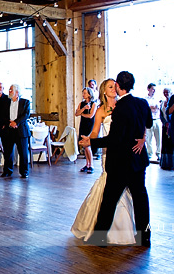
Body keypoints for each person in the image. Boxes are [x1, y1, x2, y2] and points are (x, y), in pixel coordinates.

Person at [80, 71, 151, 247]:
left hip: (120, 162)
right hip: (137, 160)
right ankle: (144, 237)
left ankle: (100, 237)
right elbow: (148, 123)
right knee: (140, 198)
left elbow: (115, 139)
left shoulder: (120, 109)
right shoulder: (142, 103)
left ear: (119, 86)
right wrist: (141, 137)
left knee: (109, 200)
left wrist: (91, 141)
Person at [72, 78, 136, 244]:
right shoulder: (100, 110)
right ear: (103, 91)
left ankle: (123, 227)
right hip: (109, 153)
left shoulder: (124, 106)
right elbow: (95, 132)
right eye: (110, 86)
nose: (114, 88)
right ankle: (105, 229)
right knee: (109, 184)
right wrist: (89, 140)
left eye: (115, 85)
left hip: (126, 153)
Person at [1, 84, 31, 178]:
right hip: (9, 130)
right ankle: (7, 171)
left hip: (21, 130)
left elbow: (26, 114)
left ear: (17, 92)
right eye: (9, 90)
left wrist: (16, 122)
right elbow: (3, 115)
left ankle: (24, 172)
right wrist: (10, 123)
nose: (9, 91)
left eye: (11, 90)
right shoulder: (6, 102)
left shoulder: (25, 102)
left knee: (23, 152)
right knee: (8, 152)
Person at [76, 87, 97, 174]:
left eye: (85, 93)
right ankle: (87, 164)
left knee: (88, 145)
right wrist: (83, 109)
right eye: (83, 93)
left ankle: (91, 165)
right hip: (83, 125)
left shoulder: (94, 104)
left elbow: (91, 116)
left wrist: (82, 114)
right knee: (84, 146)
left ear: (89, 94)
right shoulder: (81, 104)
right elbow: (76, 113)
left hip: (90, 126)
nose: (83, 94)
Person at [158, 87, 174, 170]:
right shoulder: (162, 103)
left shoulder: (173, 102)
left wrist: (170, 123)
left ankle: (172, 163)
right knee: (165, 144)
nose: (166, 94)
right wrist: (165, 122)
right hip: (165, 126)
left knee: (171, 144)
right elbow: (161, 115)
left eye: (167, 92)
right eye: (164, 92)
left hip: (173, 126)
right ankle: (165, 163)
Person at [145, 84, 162, 161]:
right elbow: (146, 108)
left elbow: (158, 108)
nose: (154, 90)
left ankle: (158, 153)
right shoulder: (145, 99)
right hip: (149, 120)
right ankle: (149, 153)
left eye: (155, 89)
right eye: (152, 89)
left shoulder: (158, 98)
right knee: (148, 138)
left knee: (158, 138)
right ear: (148, 89)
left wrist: (154, 108)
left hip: (157, 119)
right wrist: (150, 108)